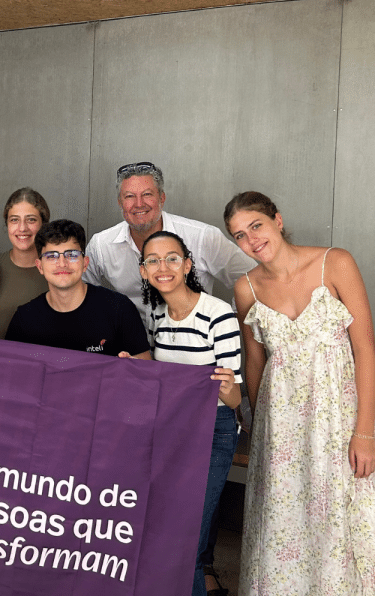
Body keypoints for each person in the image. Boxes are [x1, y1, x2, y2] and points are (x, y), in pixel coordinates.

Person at [224, 192, 375, 595]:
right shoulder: (246, 289)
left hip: (337, 420)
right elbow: (255, 363)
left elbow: (365, 347)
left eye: (256, 226)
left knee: (336, 522)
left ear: (277, 219)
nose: (251, 240)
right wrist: (262, 431)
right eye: (239, 236)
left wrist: (365, 431)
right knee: (281, 524)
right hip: (280, 429)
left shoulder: (336, 262)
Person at [137, 230, 241, 596]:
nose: (162, 267)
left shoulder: (218, 314)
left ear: (188, 264)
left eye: (171, 258)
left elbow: (235, 398)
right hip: (170, 430)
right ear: (144, 270)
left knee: (188, 537)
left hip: (213, 430)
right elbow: (155, 377)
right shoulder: (156, 316)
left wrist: (225, 388)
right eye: (153, 260)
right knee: (163, 530)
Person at [84, 161, 255, 328]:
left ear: (162, 198)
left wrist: (225, 324)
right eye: (129, 196)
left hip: (193, 344)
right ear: (120, 203)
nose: (139, 204)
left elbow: (254, 279)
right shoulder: (102, 244)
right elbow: (81, 293)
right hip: (132, 347)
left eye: (147, 194)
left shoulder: (202, 236)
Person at [6, 219, 150, 358]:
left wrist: (133, 368)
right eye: (51, 256)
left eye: (72, 255)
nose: (62, 263)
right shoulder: (24, 319)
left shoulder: (119, 309)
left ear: (85, 263)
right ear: (40, 266)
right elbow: (11, 375)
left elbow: (144, 371)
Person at [0, 188, 51, 339]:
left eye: (31, 220)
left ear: (43, 224)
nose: (22, 228)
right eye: (14, 219)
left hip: (43, 361)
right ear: (7, 224)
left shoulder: (57, 270)